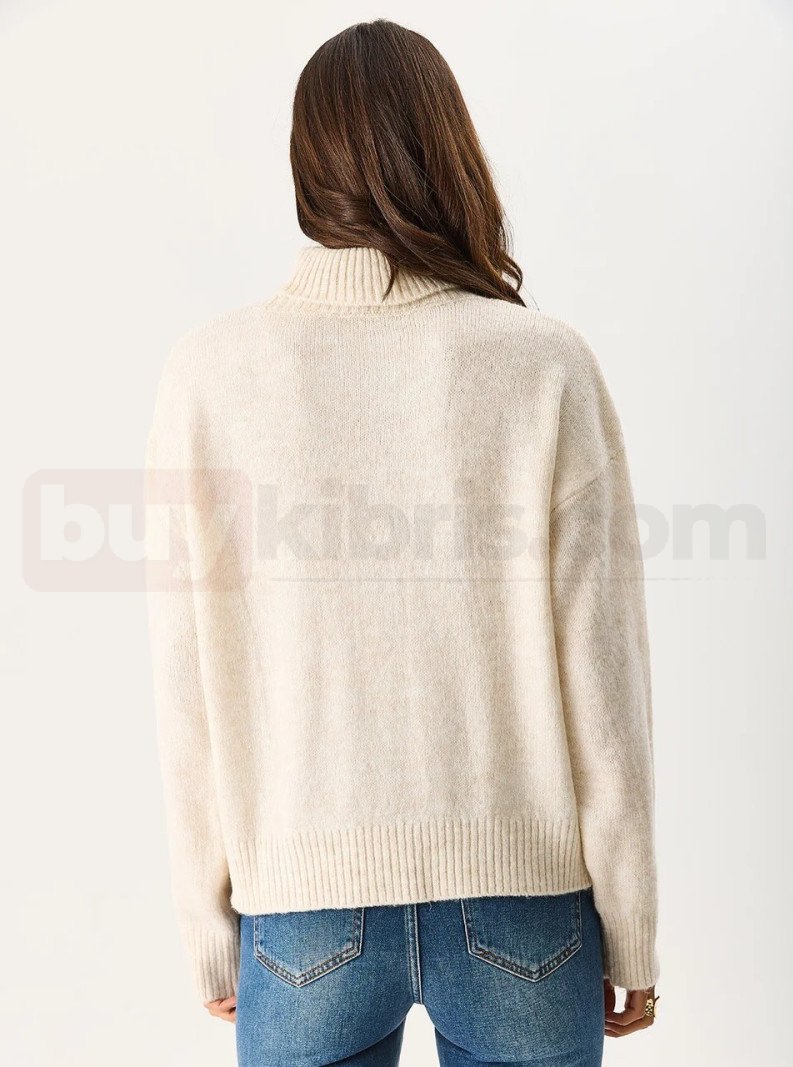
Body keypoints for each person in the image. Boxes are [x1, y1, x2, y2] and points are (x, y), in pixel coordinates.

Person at [146, 19, 659, 1067]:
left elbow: (188, 675)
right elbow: (603, 678)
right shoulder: (541, 364)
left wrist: (208, 923)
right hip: (527, 914)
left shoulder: (209, 374)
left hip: (302, 914)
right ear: (450, 151)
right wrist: (633, 916)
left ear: (306, 164)